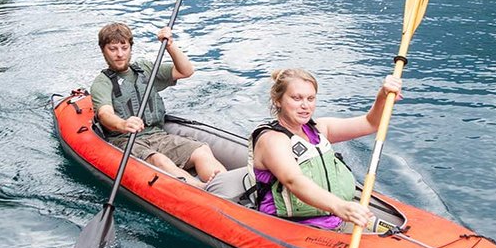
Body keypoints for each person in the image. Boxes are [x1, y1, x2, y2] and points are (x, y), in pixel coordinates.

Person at [248, 68, 402, 229]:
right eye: (296, 98)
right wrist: (339, 207)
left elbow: (371, 123)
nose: (305, 105)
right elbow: (293, 180)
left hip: (332, 218)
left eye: (310, 98)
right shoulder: (272, 140)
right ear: (278, 100)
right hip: (292, 225)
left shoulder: (319, 129)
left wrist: (382, 97)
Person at [90, 22, 228, 184]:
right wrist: (123, 124)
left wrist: (170, 46)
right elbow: (104, 114)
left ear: (130, 48)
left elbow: (186, 71)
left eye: (124, 48)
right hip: (126, 141)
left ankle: (225, 185)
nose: (120, 54)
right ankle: (202, 189)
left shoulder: (145, 69)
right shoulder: (102, 83)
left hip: (158, 135)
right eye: (113, 49)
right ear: (103, 50)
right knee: (160, 160)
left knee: (202, 150)